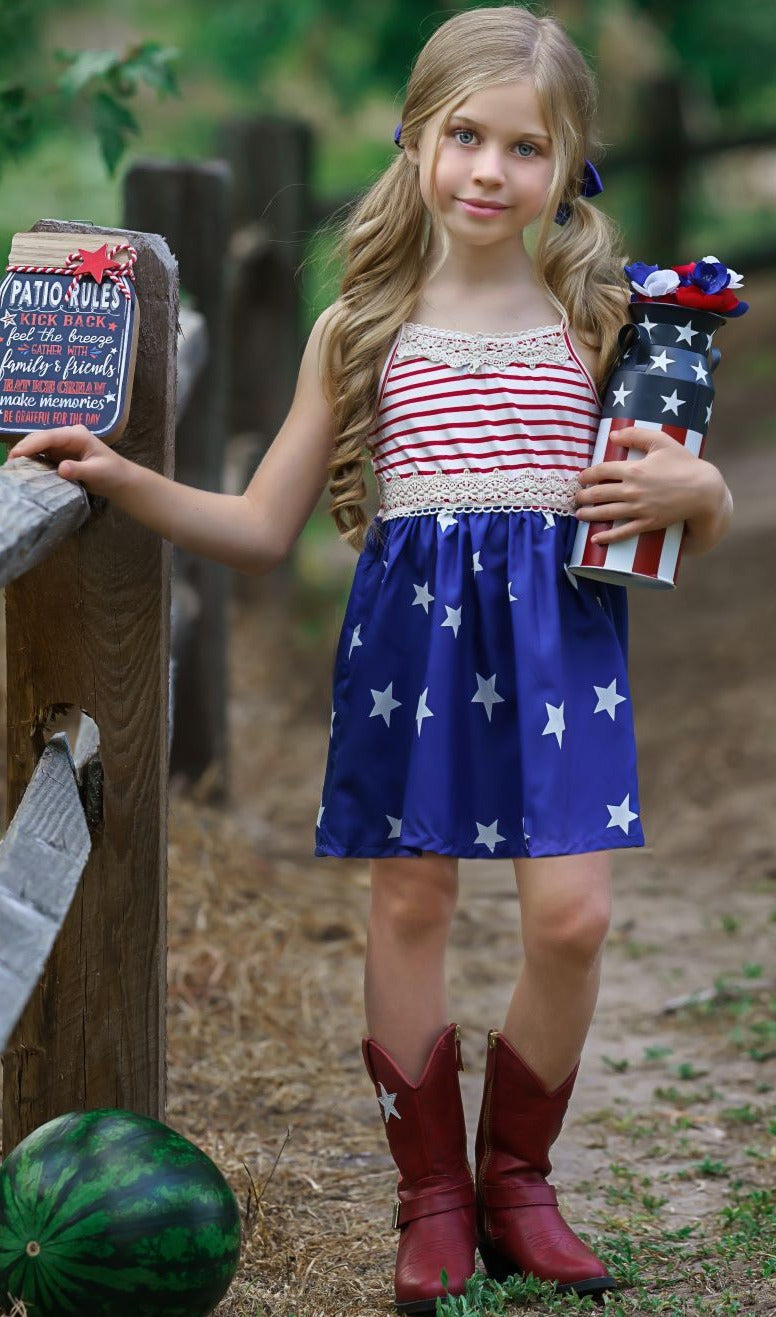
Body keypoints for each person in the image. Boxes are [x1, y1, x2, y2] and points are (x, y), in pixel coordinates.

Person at [7, 6, 732, 1310]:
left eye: (524, 146)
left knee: (571, 915)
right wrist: (124, 476)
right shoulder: (359, 328)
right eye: (464, 135)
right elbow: (260, 527)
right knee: (411, 901)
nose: (487, 171)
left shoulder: (600, 318)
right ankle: (433, 1195)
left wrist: (700, 491)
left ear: (566, 167)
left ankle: (518, 1179)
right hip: (414, 651)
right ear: (414, 138)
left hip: (561, 650)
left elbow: (687, 504)